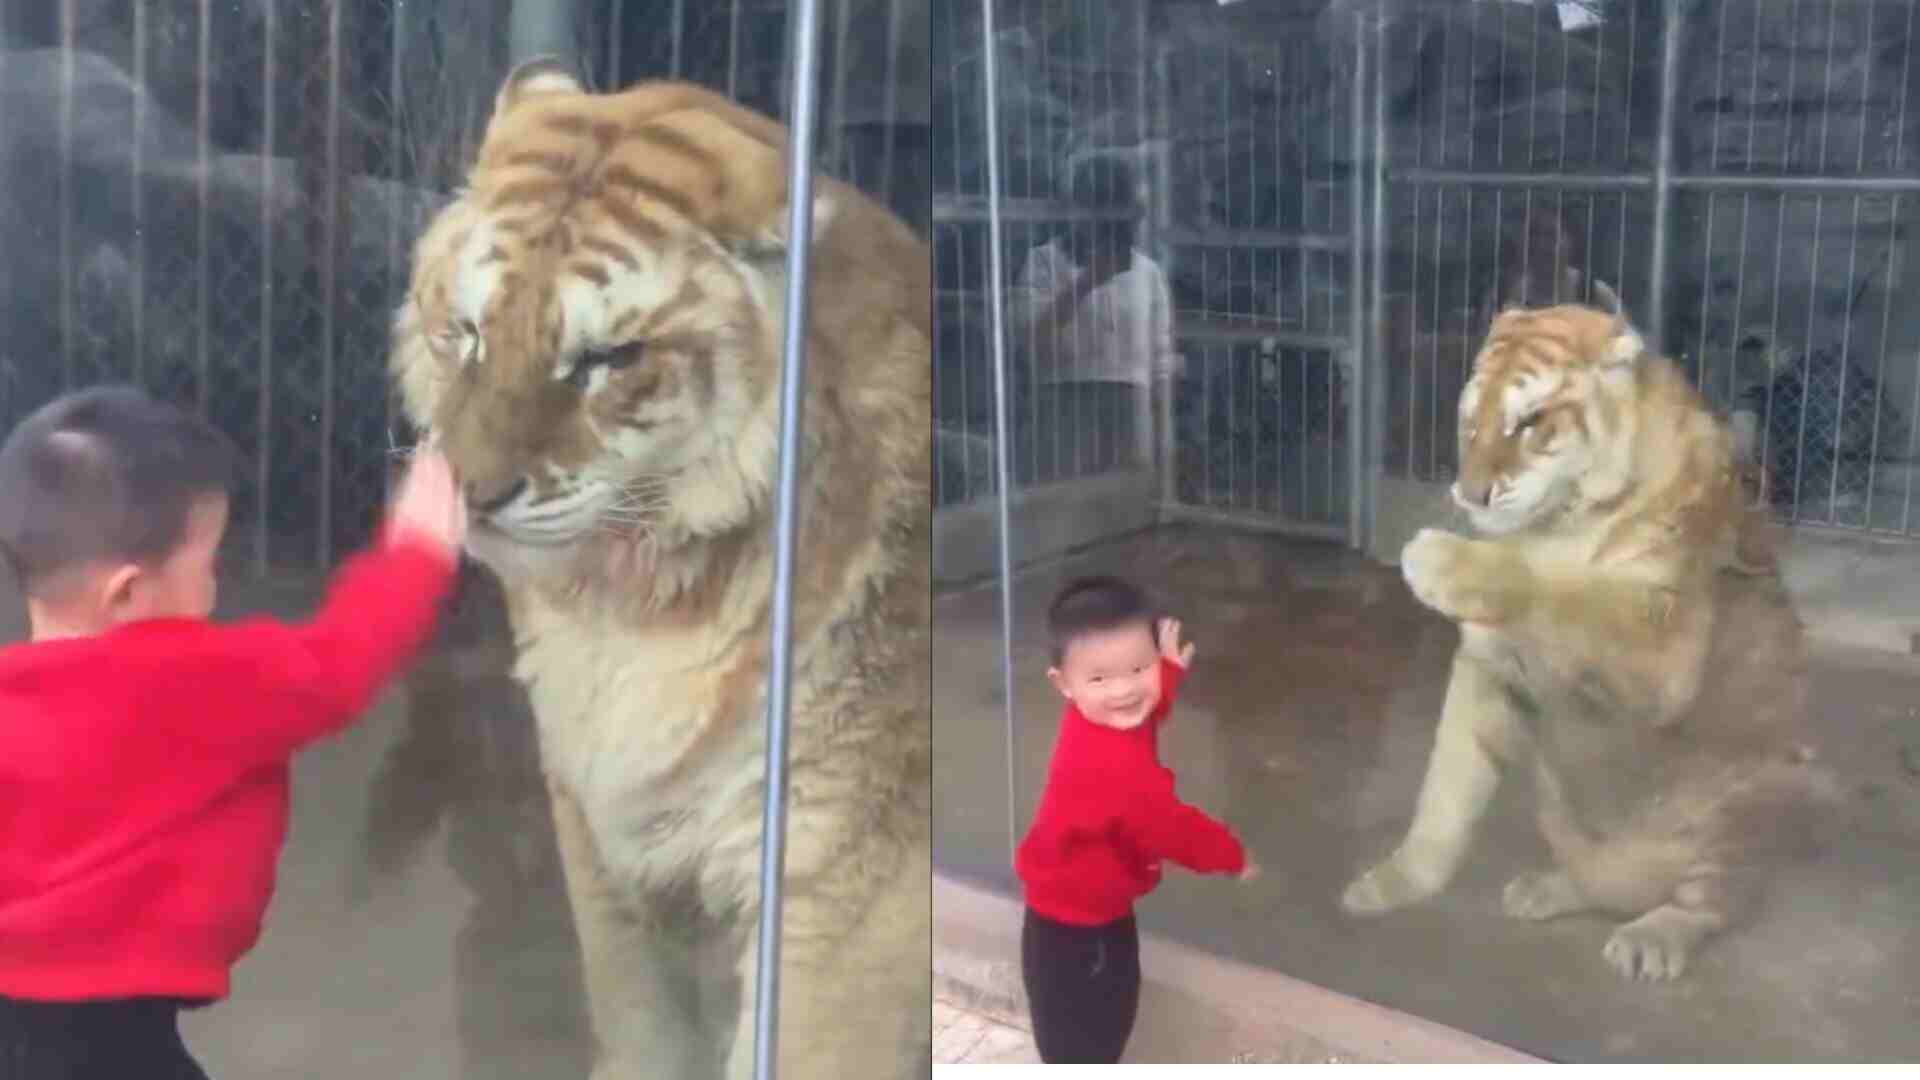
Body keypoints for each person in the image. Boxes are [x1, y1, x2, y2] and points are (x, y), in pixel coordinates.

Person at [0, 385, 466, 1078]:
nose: (217, 584)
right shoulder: (194, 680)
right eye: (209, 562)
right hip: (111, 1038)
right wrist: (419, 551)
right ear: (128, 593)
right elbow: (341, 660)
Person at [1014, 574, 1255, 1065]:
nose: (1124, 689)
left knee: (1074, 1037)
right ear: (1063, 684)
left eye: (1137, 667)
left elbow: (1138, 716)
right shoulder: (1113, 770)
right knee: (1089, 1044)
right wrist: (1233, 858)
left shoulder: (1092, 715)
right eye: (1101, 677)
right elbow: (1170, 827)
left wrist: (1164, 675)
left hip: (1070, 915)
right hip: (1082, 939)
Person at [1009, 153, 1178, 485]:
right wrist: (1084, 284)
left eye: (1106, 208)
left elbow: (1161, 361)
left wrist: (1164, 437)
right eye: (1086, 206)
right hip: (1063, 409)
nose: (1093, 220)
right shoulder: (1043, 262)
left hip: (1132, 411)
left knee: (1126, 516)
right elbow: (1027, 335)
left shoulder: (1148, 273)